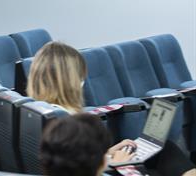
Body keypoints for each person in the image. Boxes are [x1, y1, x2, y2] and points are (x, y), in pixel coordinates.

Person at [28, 41, 196, 176]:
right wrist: (121, 163)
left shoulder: (39, 112)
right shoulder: (67, 122)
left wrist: (107, 153)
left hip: (103, 163)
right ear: (70, 80)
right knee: (166, 153)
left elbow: (74, 162)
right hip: (113, 168)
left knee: (163, 148)